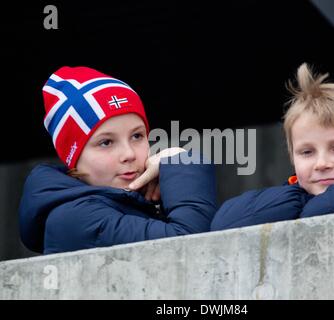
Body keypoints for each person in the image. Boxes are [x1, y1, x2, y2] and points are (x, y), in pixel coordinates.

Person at [19, 66, 217, 254]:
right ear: (74, 160)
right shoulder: (75, 217)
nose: (129, 154)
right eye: (106, 142)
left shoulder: (149, 198)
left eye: (137, 136)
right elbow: (191, 249)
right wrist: (180, 163)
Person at [211, 63, 334, 231]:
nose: (321, 164)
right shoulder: (297, 193)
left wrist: (305, 208)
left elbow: (327, 207)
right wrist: (302, 200)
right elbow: (223, 222)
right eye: (307, 152)